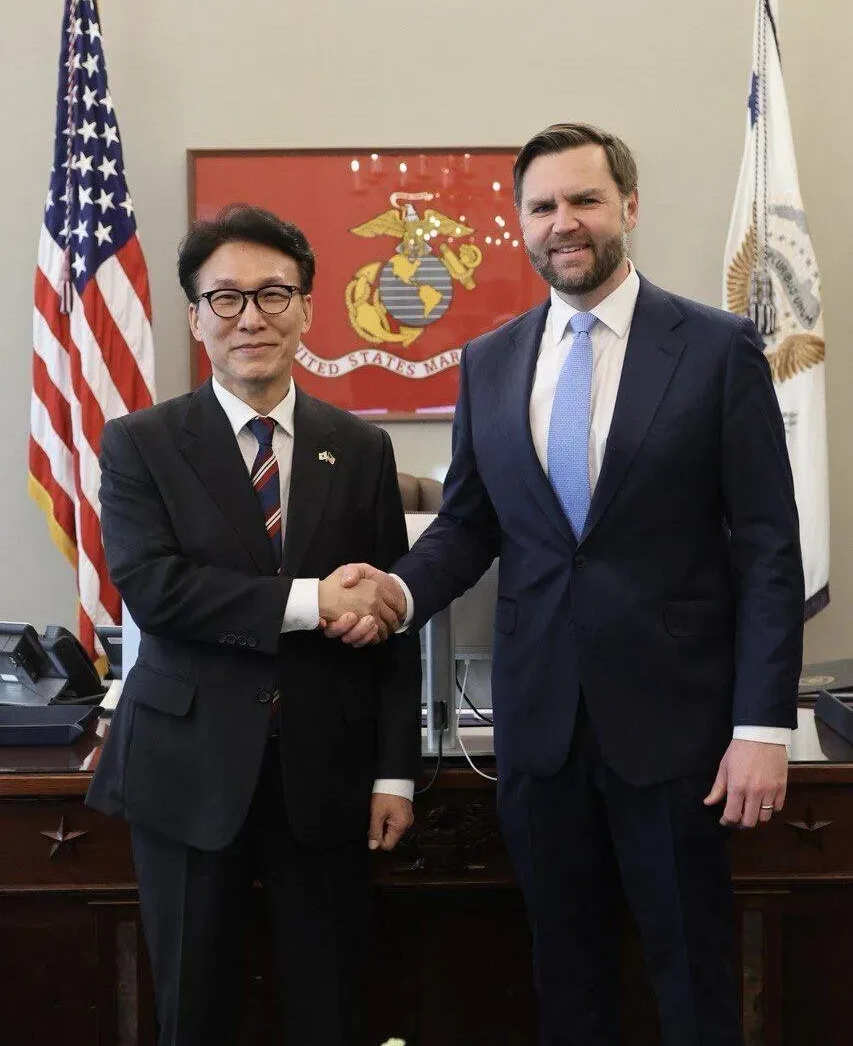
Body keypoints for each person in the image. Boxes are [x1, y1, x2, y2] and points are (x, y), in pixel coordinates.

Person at [335, 123, 805, 1045]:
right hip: (539, 729)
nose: (565, 223)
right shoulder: (491, 360)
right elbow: (470, 524)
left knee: (693, 974)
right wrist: (394, 593)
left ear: (628, 208)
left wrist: (762, 728)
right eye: (543, 206)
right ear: (519, 224)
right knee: (566, 973)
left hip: (679, 734)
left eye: (584, 200)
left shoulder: (715, 350)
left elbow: (766, 549)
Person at [86, 205, 420, 1046]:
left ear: (308, 308)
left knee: (332, 1008)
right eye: (225, 299)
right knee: (194, 1008)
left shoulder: (361, 448)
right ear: (196, 318)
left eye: (274, 295)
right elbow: (156, 592)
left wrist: (395, 774)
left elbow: (390, 618)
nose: (252, 318)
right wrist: (315, 602)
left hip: (328, 777)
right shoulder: (139, 444)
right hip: (187, 771)